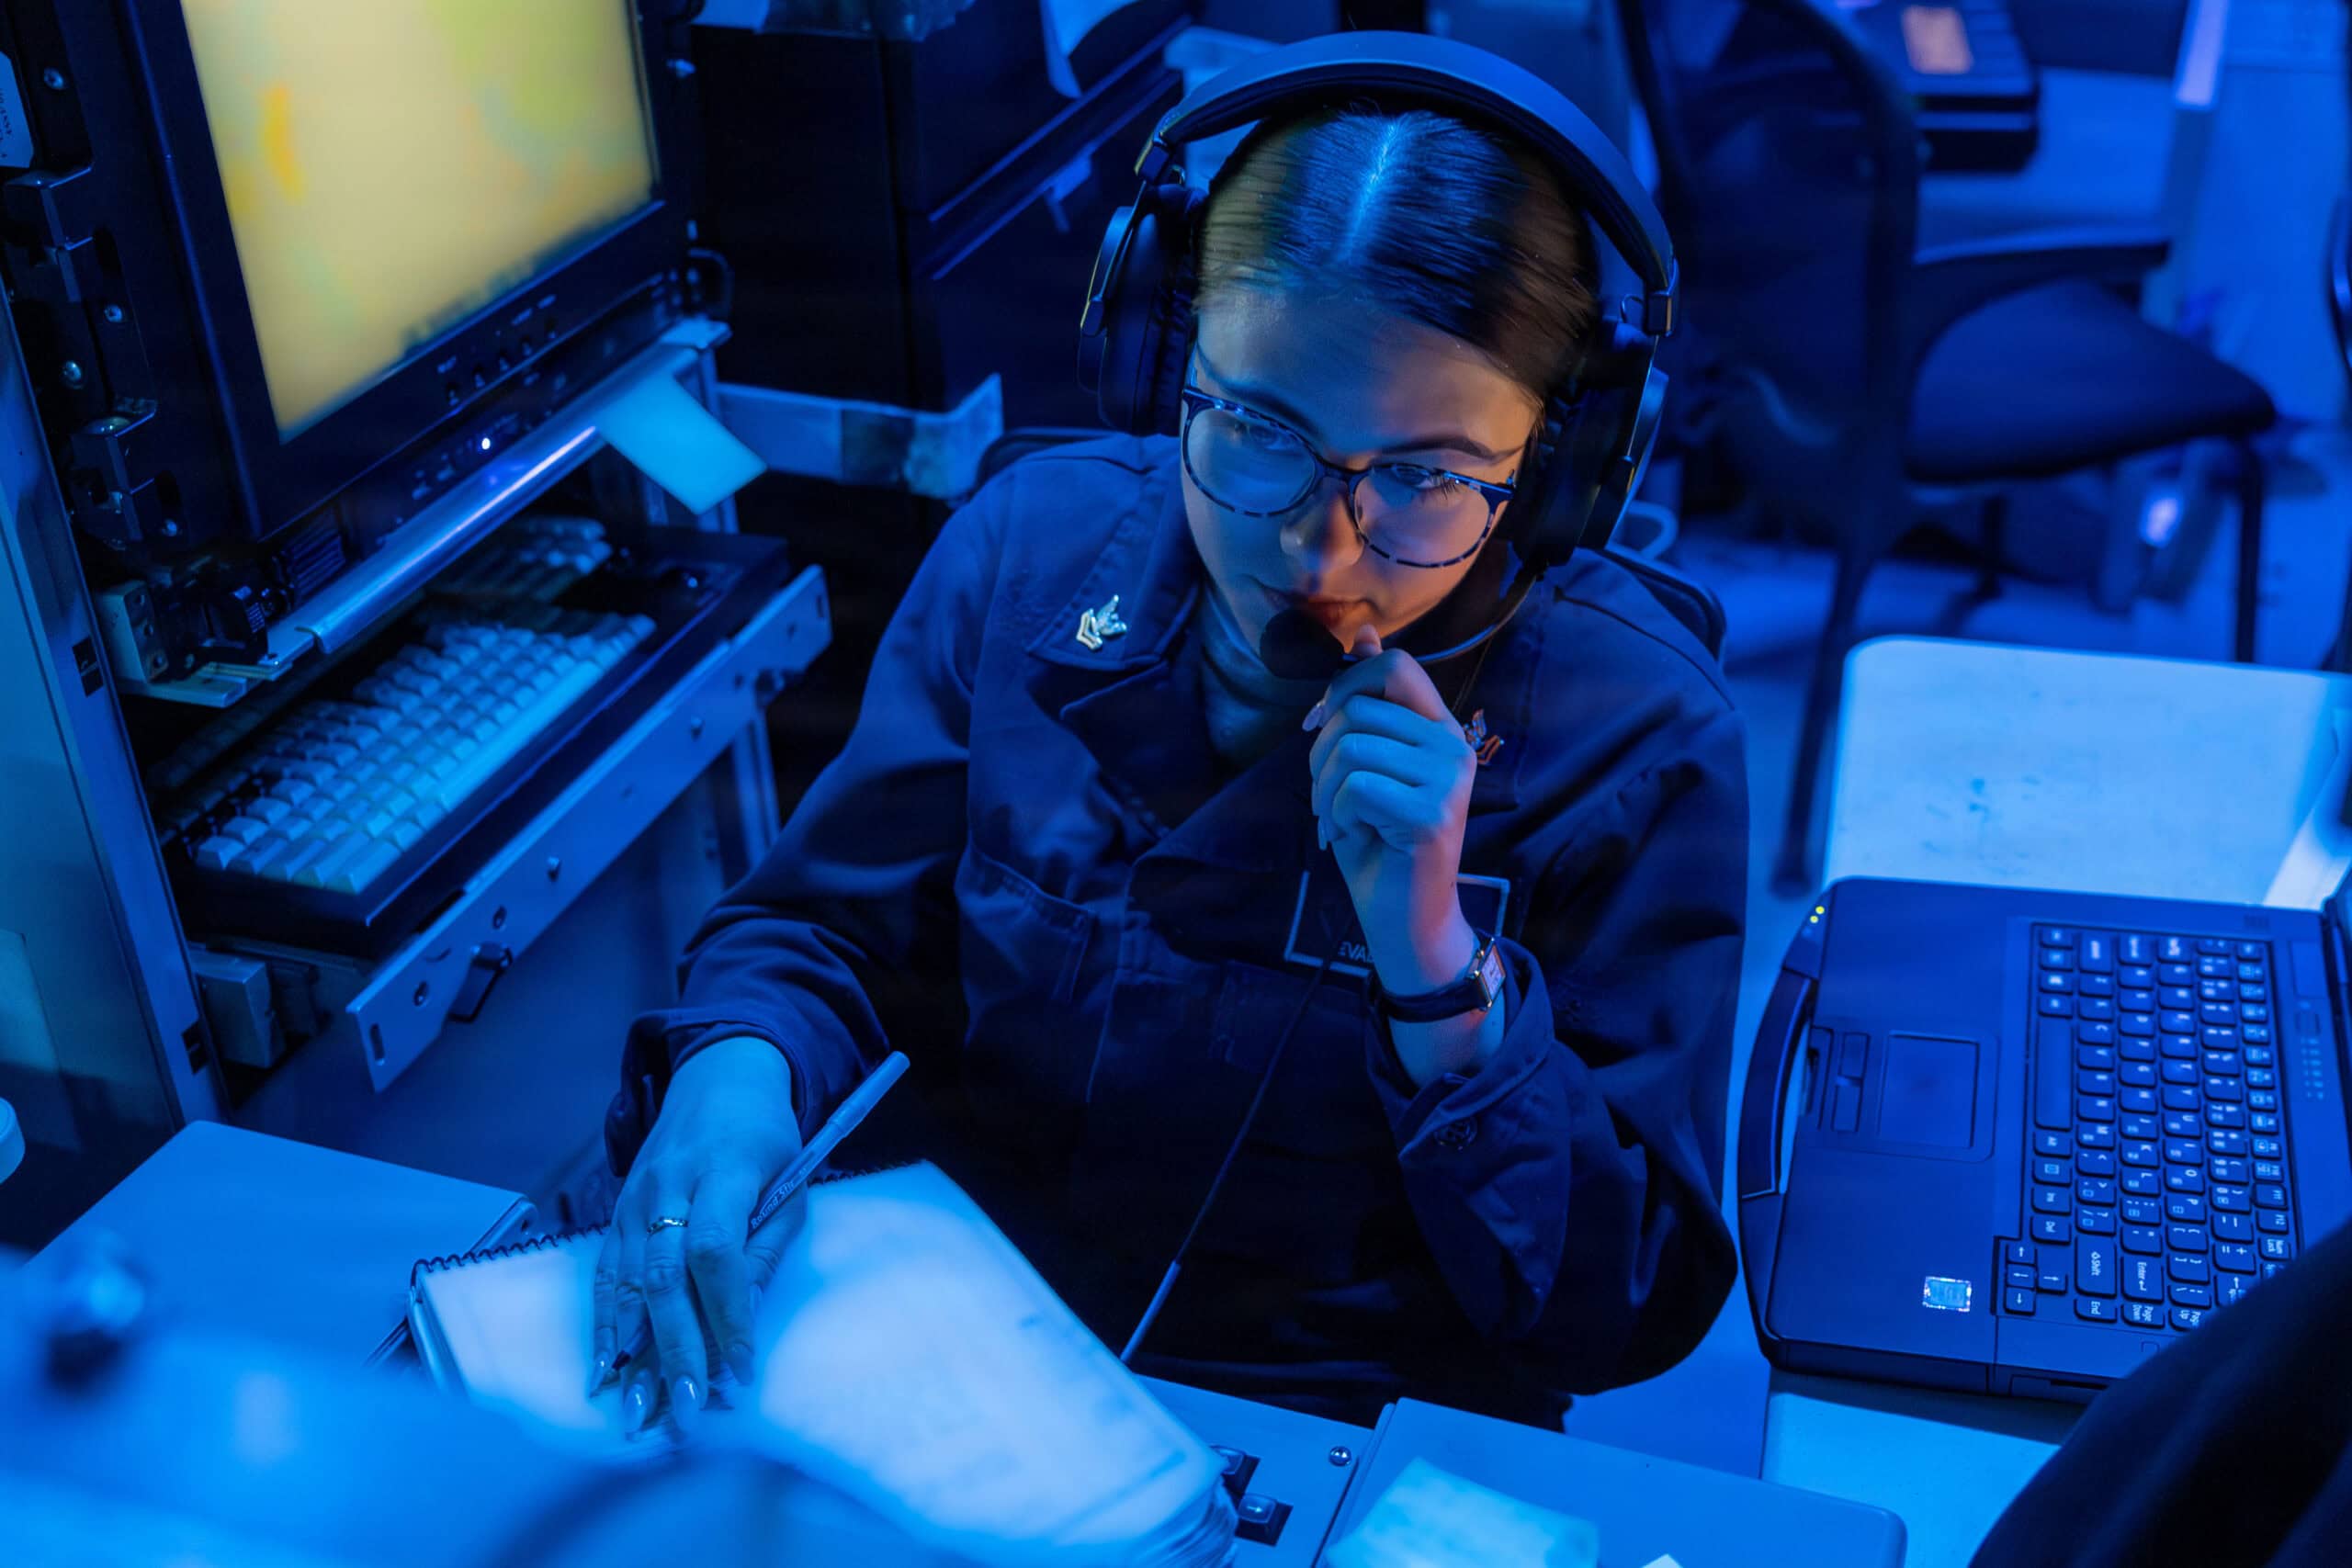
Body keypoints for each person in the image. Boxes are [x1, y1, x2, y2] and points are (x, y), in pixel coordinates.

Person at [594, 68, 1748, 1437]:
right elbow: (826, 939)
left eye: (1430, 478)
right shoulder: (1026, 557)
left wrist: (1443, 979)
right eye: (1257, 430)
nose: (1320, 548)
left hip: (1341, 1421)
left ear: (1563, 470)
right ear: (1160, 359)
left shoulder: (1635, 741)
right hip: (946, 1350)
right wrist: (741, 1070)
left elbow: (1618, 1314)